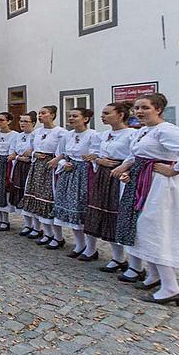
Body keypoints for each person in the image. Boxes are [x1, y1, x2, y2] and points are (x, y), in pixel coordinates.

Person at [115, 93, 179, 306]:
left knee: (155, 229)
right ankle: (153, 276)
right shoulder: (143, 131)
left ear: (158, 109)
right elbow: (138, 155)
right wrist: (126, 168)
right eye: (137, 108)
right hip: (142, 183)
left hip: (161, 187)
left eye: (145, 108)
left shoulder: (168, 130)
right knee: (142, 229)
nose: (139, 112)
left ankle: (171, 288)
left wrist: (174, 170)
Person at [84, 102, 137, 274]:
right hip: (103, 175)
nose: (103, 116)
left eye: (107, 113)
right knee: (104, 212)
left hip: (121, 176)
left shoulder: (131, 134)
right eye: (102, 113)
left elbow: (136, 155)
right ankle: (117, 257)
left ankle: (134, 264)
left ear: (120, 115)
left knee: (119, 214)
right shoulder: (103, 135)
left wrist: (124, 167)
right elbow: (93, 154)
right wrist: (99, 160)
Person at [51, 108, 100, 259]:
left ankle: (91, 248)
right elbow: (61, 153)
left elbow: (98, 154)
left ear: (85, 119)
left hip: (85, 173)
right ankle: (80, 244)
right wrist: (64, 163)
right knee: (70, 208)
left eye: (75, 116)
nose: (71, 118)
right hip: (69, 173)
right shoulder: (67, 135)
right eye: (70, 116)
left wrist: (91, 158)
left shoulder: (93, 135)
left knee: (83, 209)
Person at [20, 106, 67, 248]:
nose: (40, 116)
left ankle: (58, 236)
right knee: (36, 198)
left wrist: (56, 159)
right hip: (37, 167)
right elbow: (31, 150)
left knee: (48, 199)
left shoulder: (61, 132)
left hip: (50, 167)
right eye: (39, 113)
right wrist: (35, 154)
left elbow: (64, 151)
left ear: (52, 115)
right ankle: (46, 233)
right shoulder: (37, 132)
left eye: (44, 113)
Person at [9, 112, 37, 237]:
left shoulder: (35, 135)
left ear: (33, 123)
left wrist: (27, 155)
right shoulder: (18, 136)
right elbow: (14, 152)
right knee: (20, 192)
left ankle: (36, 227)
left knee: (30, 194)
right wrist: (19, 157)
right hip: (20, 166)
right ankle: (27, 224)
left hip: (31, 167)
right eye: (21, 121)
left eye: (26, 121)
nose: (22, 124)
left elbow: (32, 151)